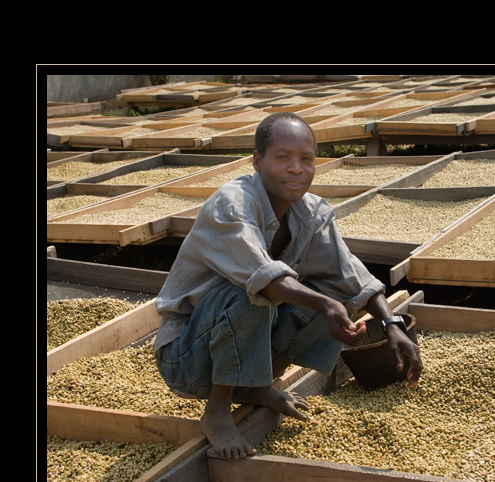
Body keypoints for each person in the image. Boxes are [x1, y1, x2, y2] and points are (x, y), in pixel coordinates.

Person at [153, 111, 422, 460]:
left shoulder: (310, 213)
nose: (296, 168)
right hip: (188, 356)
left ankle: (256, 386)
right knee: (253, 292)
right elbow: (261, 275)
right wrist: (324, 306)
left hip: (242, 350)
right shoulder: (232, 203)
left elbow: (350, 275)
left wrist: (390, 324)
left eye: (306, 159)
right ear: (257, 160)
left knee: (334, 293)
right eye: (282, 157)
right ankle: (217, 411)